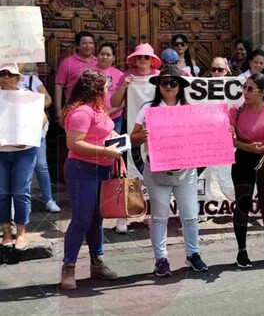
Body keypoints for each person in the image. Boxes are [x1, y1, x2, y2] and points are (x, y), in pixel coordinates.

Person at [130, 65, 208, 277]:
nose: (169, 86)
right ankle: (161, 259)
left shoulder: (188, 109)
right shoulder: (148, 108)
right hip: (157, 170)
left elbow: (202, 135)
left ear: (180, 86)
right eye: (165, 82)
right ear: (159, 85)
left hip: (185, 171)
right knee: (159, 217)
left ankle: (193, 254)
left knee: (191, 216)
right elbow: (133, 137)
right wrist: (143, 136)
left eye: (173, 83)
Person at [60, 70, 121, 290]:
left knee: (97, 218)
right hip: (82, 169)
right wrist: (105, 152)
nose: (108, 90)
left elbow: (105, 132)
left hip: (103, 169)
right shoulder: (82, 113)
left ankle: (97, 262)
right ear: (96, 89)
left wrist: (115, 139)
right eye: (105, 86)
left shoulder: (99, 109)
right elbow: (74, 143)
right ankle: (69, 266)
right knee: (81, 218)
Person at [229, 73, 264, 267]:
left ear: (262, 92)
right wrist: (248, 147)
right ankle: (241, 251)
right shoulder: (236, 109)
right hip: (244, 159)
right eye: (244, 87)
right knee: (243, 204)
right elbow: (229, 138)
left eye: (250, 89)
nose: (245, 92)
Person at [110, 43, 161, 234]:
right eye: (139, 57)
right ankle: (124, 214)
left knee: (155, 172)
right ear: (134, 59)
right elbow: (115, 102)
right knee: (128, 172)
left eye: (146, 57)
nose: (143, 60)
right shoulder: (127, 77)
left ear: (152, 60)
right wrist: (124, 86)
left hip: (157, 131)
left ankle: (151, 214)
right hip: (133, 130)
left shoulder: (160, 77)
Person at [0, 64, 41, 251]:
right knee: (1, 193)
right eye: (2, 74)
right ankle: (6, 232)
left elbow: (42, 120)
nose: (6, 77)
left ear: (18, 78)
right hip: (1, 151)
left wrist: (27, 136)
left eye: (11, 74)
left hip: (24, 151)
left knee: (21, 191)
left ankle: (21, 233)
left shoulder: (30, 98)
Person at [17, 63, 59, 213]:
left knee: (41, 165)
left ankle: (48, 199)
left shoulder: (32, 80)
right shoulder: (4, 81)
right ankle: (19, 204)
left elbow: (48, 99)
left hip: (35, 127)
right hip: (14, 130)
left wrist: (32, 104)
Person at [54, 31, 97, 126]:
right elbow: (58, 86)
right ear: (78, 46)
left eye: (91, 43)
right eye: (84, 43)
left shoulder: (98, 62)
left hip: (95, 110)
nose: (88, 46)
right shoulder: (67, 62)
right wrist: (58, 111)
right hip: (74, 108)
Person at [95, 43, 125, 132]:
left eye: (108, 55)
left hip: (115, 118)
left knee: (114, 144)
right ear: (97, 56)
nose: (104, 57)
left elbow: (123, 101)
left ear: (113, 58)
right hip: (93, 118)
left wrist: (107, 113)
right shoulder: (89, 71)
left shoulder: (120, 75)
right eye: (102, 54)